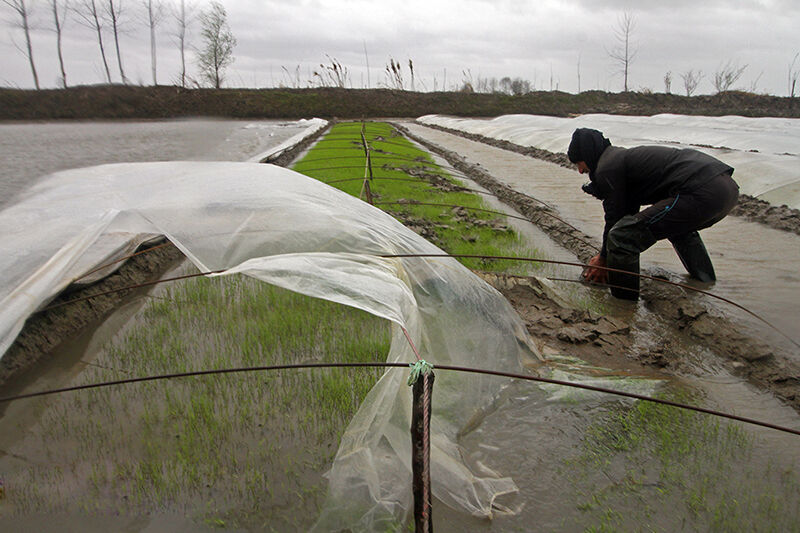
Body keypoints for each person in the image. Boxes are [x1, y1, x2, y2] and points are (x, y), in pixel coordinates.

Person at [567, 128, 739, 300]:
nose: (581, 171)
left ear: (588, 154)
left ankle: (623, 304)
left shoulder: (607, 167)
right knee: (678, 230)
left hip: (701, 190)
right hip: (726, 189)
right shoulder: (618, 158)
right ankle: (705, 284)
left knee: (623, 237)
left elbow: (616, 220)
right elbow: (627, 214)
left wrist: (603, 259)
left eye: (578, 163)